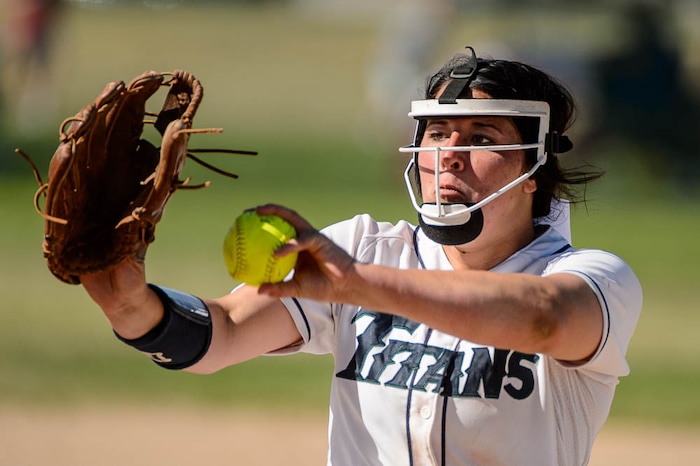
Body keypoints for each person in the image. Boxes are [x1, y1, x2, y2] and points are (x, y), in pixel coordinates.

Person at [80, 46, 642, 465]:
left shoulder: (593, 279)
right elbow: (224, 330)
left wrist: (355, 284)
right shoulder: (367, 249)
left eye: (482, 137)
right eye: (437, 133)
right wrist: (134, 309)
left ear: (534, 171)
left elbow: (543, 317)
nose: (449, 156)